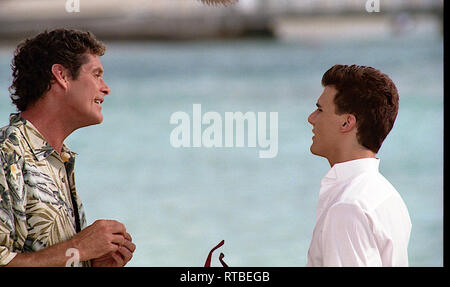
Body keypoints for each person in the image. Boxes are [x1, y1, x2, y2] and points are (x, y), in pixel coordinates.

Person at [0, 29, 136, 267]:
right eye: (96, 75)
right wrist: (80, 248)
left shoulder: (58, 158)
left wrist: (88, 263)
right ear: (61, 75)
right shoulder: (7, 153)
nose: (105, 88)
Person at [306, 64, 411, 267]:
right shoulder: (387, 194)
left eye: (320, 110)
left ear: (347, 123)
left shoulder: (347, 207)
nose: (311, 118)